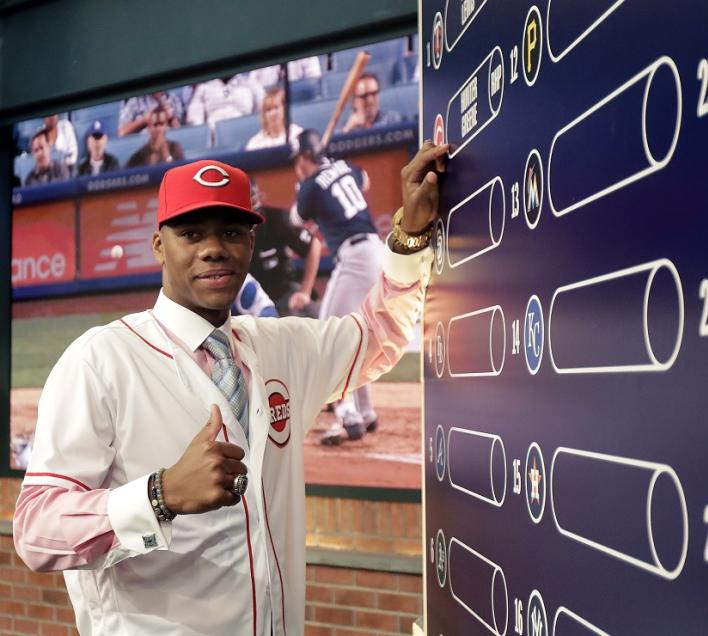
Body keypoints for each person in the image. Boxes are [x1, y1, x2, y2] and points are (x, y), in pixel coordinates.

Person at [13, 144, 447, 635]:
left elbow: (377, 334)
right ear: (159, 244)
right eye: (191, 232)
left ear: (250, 241)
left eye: (232, 231)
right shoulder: (100, 361)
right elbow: (36, 531)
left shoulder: (280, 345)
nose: (214, 247)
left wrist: (410, 236)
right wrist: (158, 496)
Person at [292, 128, 386, 443]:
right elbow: (365, 180)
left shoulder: (308, 187)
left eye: (298, 160)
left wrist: (308, 183)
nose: (297, 166)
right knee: (357, 333)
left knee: (329, 335)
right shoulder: (346, 167)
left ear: (306, 157)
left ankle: (346, 411)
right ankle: (366, 410)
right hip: (378, 252)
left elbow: (298, 216)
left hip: (356, 257)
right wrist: (333, 172)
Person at [248, 180, 323, 316]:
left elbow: (313, 245)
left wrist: (305, 291)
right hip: (248, 300)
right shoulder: (224, 231)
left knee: (320, 321)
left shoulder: (277, 219)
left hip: (283, 291)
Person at [186, 73, 264, 129]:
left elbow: (263, 108)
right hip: (215, 135)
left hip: (245, 130)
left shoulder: (250, 83)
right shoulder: (203, 87)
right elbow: (195, 119)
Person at [118, 91, 185, 136]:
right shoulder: (135, 100)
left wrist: (171, 119)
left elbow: (182, 133)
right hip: (143, 146)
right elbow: (122, 132)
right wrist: (144, 121)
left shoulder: (174, 99)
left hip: (169, 143)